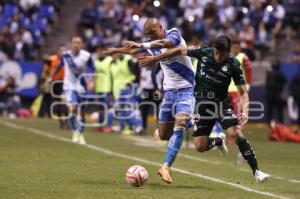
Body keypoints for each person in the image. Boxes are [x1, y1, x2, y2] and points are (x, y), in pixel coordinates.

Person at [140, 35, 269, 183]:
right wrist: (156, 59)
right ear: (214, 48)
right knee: (200, 146)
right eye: (217, 53)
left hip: (221, 104)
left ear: (229, 51)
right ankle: (217, 142)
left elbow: (243, 93)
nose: (219, 56)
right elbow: (178, 50)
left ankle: (257, 172)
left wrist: (245, 111)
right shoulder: (203, 52)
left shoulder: (234, 64)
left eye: (223, 54)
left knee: (236, 132)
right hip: (202, 105)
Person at [105, 18, 202, 184]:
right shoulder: (151, 43)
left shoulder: (174, 34)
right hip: (169, 92)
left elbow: (166, 44)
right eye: (147, 34)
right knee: (163, 135)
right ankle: (193, 120)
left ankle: (165, 167)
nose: (149, 36)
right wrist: (117, 50)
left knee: (179, 122)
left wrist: (143, 47)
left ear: (161, 27)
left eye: (152, 32)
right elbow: (135, 51)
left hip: (187, 88)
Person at [53, 36, 95, 145]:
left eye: (78, 42)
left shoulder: (86, 56)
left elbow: (93, 68)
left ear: (81, 44)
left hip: (81, 87)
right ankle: (75, 131)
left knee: (81, 113)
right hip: (69, 86)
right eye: (74, 42)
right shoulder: (66, 55)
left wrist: (91, 80)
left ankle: (79, 133)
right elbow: (58, 67)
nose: (76, 44)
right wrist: (51, 78)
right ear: (71, 44)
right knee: (72, 108)